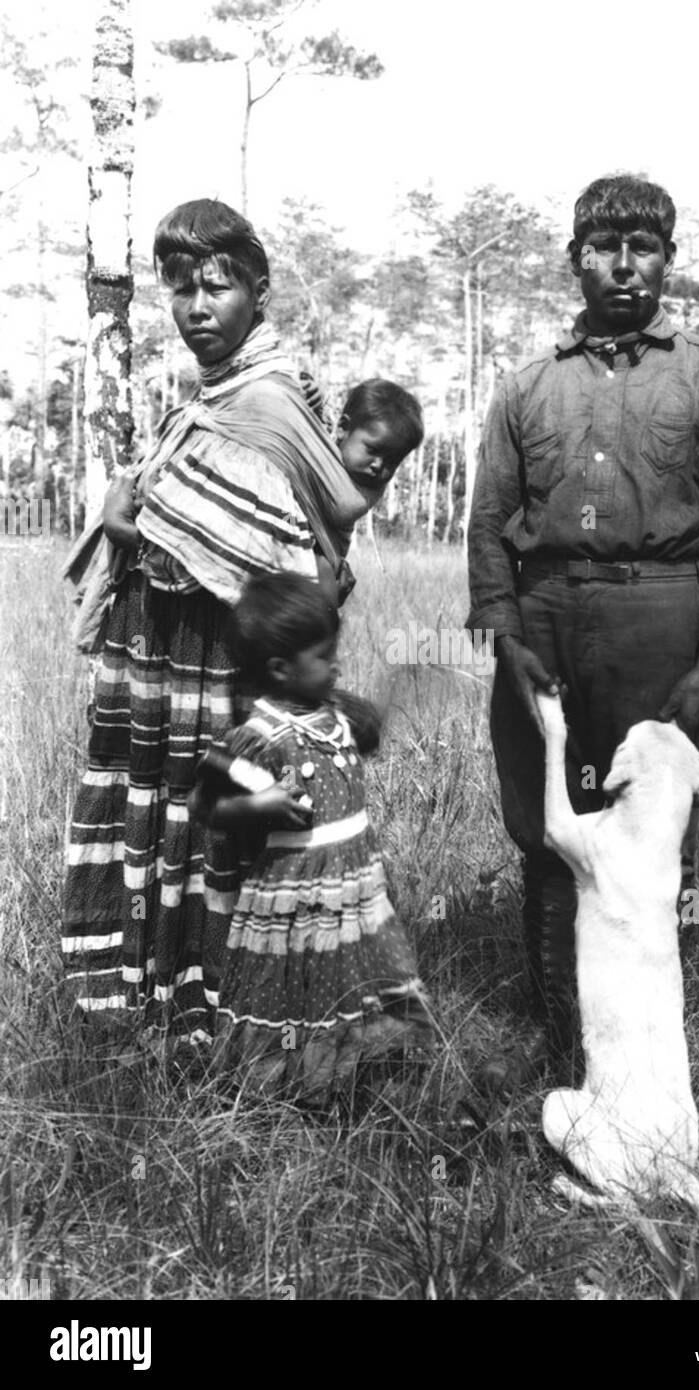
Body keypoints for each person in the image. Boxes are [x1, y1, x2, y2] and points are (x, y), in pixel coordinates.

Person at [467, 174, 699, 1080]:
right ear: (575, 260)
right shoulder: (526, 389)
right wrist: (507, 637)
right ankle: (561, 1033)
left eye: (645, 247)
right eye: (605, 248)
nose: (624, 266)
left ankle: (648, 1045)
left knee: (651, 829)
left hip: (661, 615)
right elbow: (489, 524)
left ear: (669, 261)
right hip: (546, 621)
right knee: (550, 826)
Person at [63, 199, 370, 1042]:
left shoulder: (266, 406)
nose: (197, 308)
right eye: (180, 289)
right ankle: (162, 1002)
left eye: (217, 287)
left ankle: (227, 1017)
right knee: (177, 818)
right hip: (167, 653)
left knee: (220, 823)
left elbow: (273, 552)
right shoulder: (210, 399)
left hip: (217, 661)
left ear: (259, 291)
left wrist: (132, 528)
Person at [188, 570, 435, 1098]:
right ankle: (302, 1084)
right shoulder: (259, 737)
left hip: (355, 883)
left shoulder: (335, 715)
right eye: (324, 657)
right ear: (280, 668)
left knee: (358, 973)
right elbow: (202, 804)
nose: (336, 664)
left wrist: (409, 676)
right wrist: (260, 803)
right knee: (303, 987)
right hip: (298, 891)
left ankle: (366, 1071)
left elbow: (371, 727)